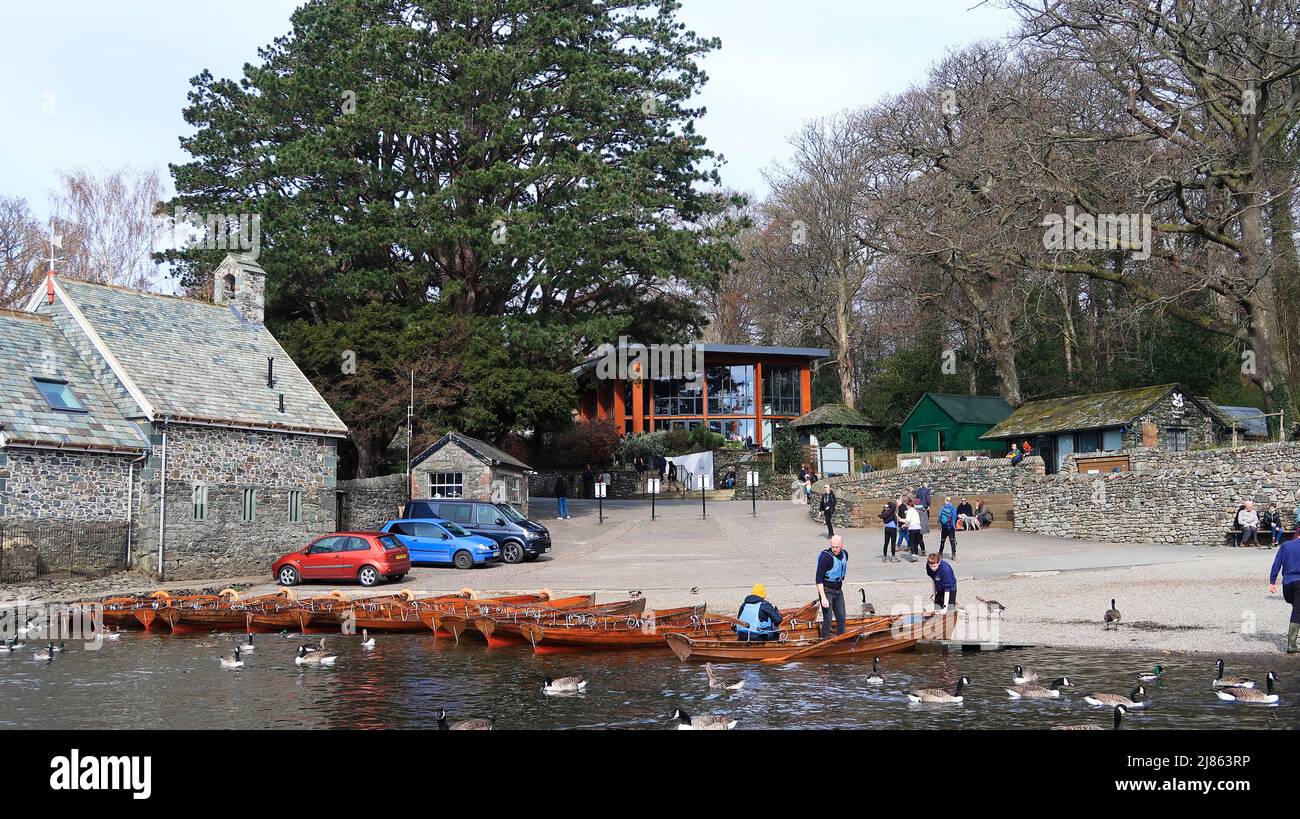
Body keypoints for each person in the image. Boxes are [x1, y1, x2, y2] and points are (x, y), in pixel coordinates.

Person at [1269, 533, 1300, 653]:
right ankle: (1292, 645)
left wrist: (1272, 581)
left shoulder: (1285, 545)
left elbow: (1276, 563)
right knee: (1297, 610)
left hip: (1287, 584)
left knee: (1297, 607)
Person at [816, 535, 849, 638]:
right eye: (833, 546)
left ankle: (841, 641)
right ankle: (824, 641)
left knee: (842, 618)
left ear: (842, 545)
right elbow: (818, 579)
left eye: (837, 547)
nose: (834, 549)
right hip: (826, 590)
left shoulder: (845, 554)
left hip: (838, 590)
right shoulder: (825, 557)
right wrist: (823, 598)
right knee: (828, 619)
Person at [938, 495, 958, 560]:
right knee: (952, 541)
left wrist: (941, 524)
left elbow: (940, 516)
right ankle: (953, 554)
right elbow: (955, 517)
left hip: (944, 527)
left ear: (946, 500)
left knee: (942, 541)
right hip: (951, 527)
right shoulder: (953, 508)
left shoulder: (942, 508)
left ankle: (940, 554)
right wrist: (954, 526)